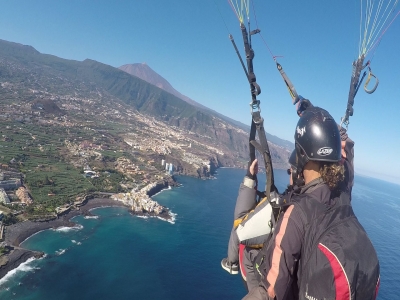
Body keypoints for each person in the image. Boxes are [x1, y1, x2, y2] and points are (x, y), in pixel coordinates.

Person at [243, 106, 380, 300]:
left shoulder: (298, 213)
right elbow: (344, 149)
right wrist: (312, 113)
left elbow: (270, 290)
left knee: (247, 255)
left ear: (302, 155)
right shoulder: (343, 193)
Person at [221, 151, 298, 290]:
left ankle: (231, 263)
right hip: (290, 281)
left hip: (265, 283)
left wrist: (250, 178)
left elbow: (239, 231)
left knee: (245, 246)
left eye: (289, 171)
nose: (289, 175)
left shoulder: (286, 205)